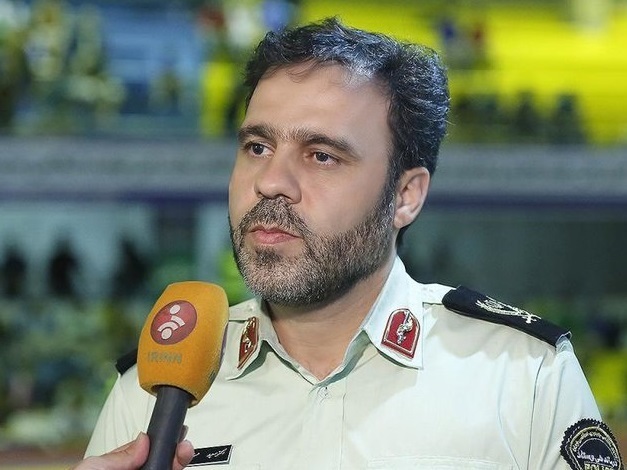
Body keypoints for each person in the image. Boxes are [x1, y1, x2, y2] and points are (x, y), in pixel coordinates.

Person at [74, 18, 623, 470]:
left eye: (322, 156)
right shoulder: (152, 393)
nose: (271, 182)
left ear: (405, 196)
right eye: (258, 147)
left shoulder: (524, 377)